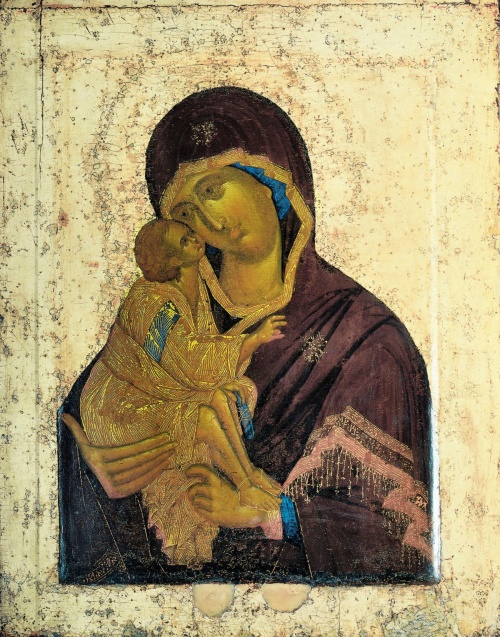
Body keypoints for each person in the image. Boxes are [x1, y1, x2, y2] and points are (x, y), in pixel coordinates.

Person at [59, 87, 434, 585]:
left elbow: (402, 541)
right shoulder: (169, 324)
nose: (205, 220)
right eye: (185, 211)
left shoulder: (366, 338)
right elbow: (88, 422)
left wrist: (270, 513)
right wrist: (92, 469)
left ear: (274, 182)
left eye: (213, 189)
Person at [79, 217, 283, 567]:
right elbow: (186, 359)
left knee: (219, 398)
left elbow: (198, 351)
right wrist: (251, 342)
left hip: (160, 388)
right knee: (202, 418)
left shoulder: (194, 282)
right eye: (184, 240)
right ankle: (246, 485)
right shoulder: (149, 303)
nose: (194, 238)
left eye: (189, 233)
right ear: (171, 259)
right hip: (119, 406)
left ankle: (248, 476)